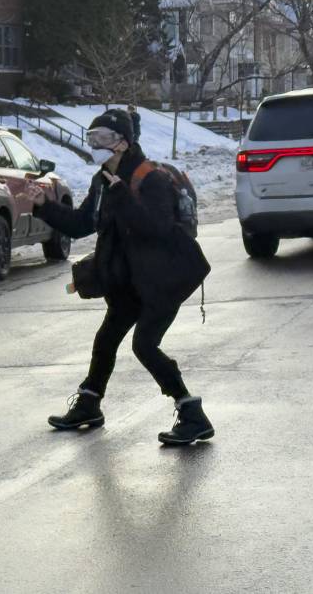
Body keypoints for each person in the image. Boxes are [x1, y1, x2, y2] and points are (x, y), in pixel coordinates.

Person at [25, 109, 213, 445]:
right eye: (91, 137)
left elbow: (157, 228)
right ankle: (89, 404)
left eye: (103, 138)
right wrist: (44, 207)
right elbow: (82, 223)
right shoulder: (102, 181)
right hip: (130, 282)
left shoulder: (149, 178)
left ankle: (191, 413)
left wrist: (123, 196)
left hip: (162, 280)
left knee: (145, 345)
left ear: (123, 143)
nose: (94, 145)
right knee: (106, 339)